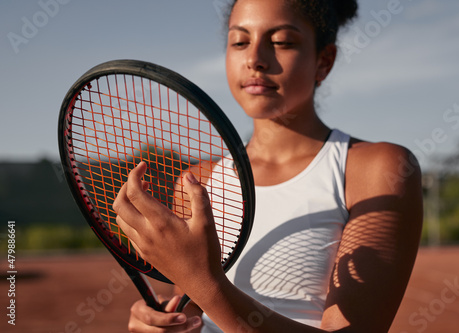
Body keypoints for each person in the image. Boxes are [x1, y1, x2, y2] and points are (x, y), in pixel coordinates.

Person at [113, 0, 423, 332]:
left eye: (282, 42)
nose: (255, 60)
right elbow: (195, 315)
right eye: (240, 42)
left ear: (324, 61)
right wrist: (166, 324)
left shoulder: (375, 168)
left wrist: (205, 281)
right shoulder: (198, 181)